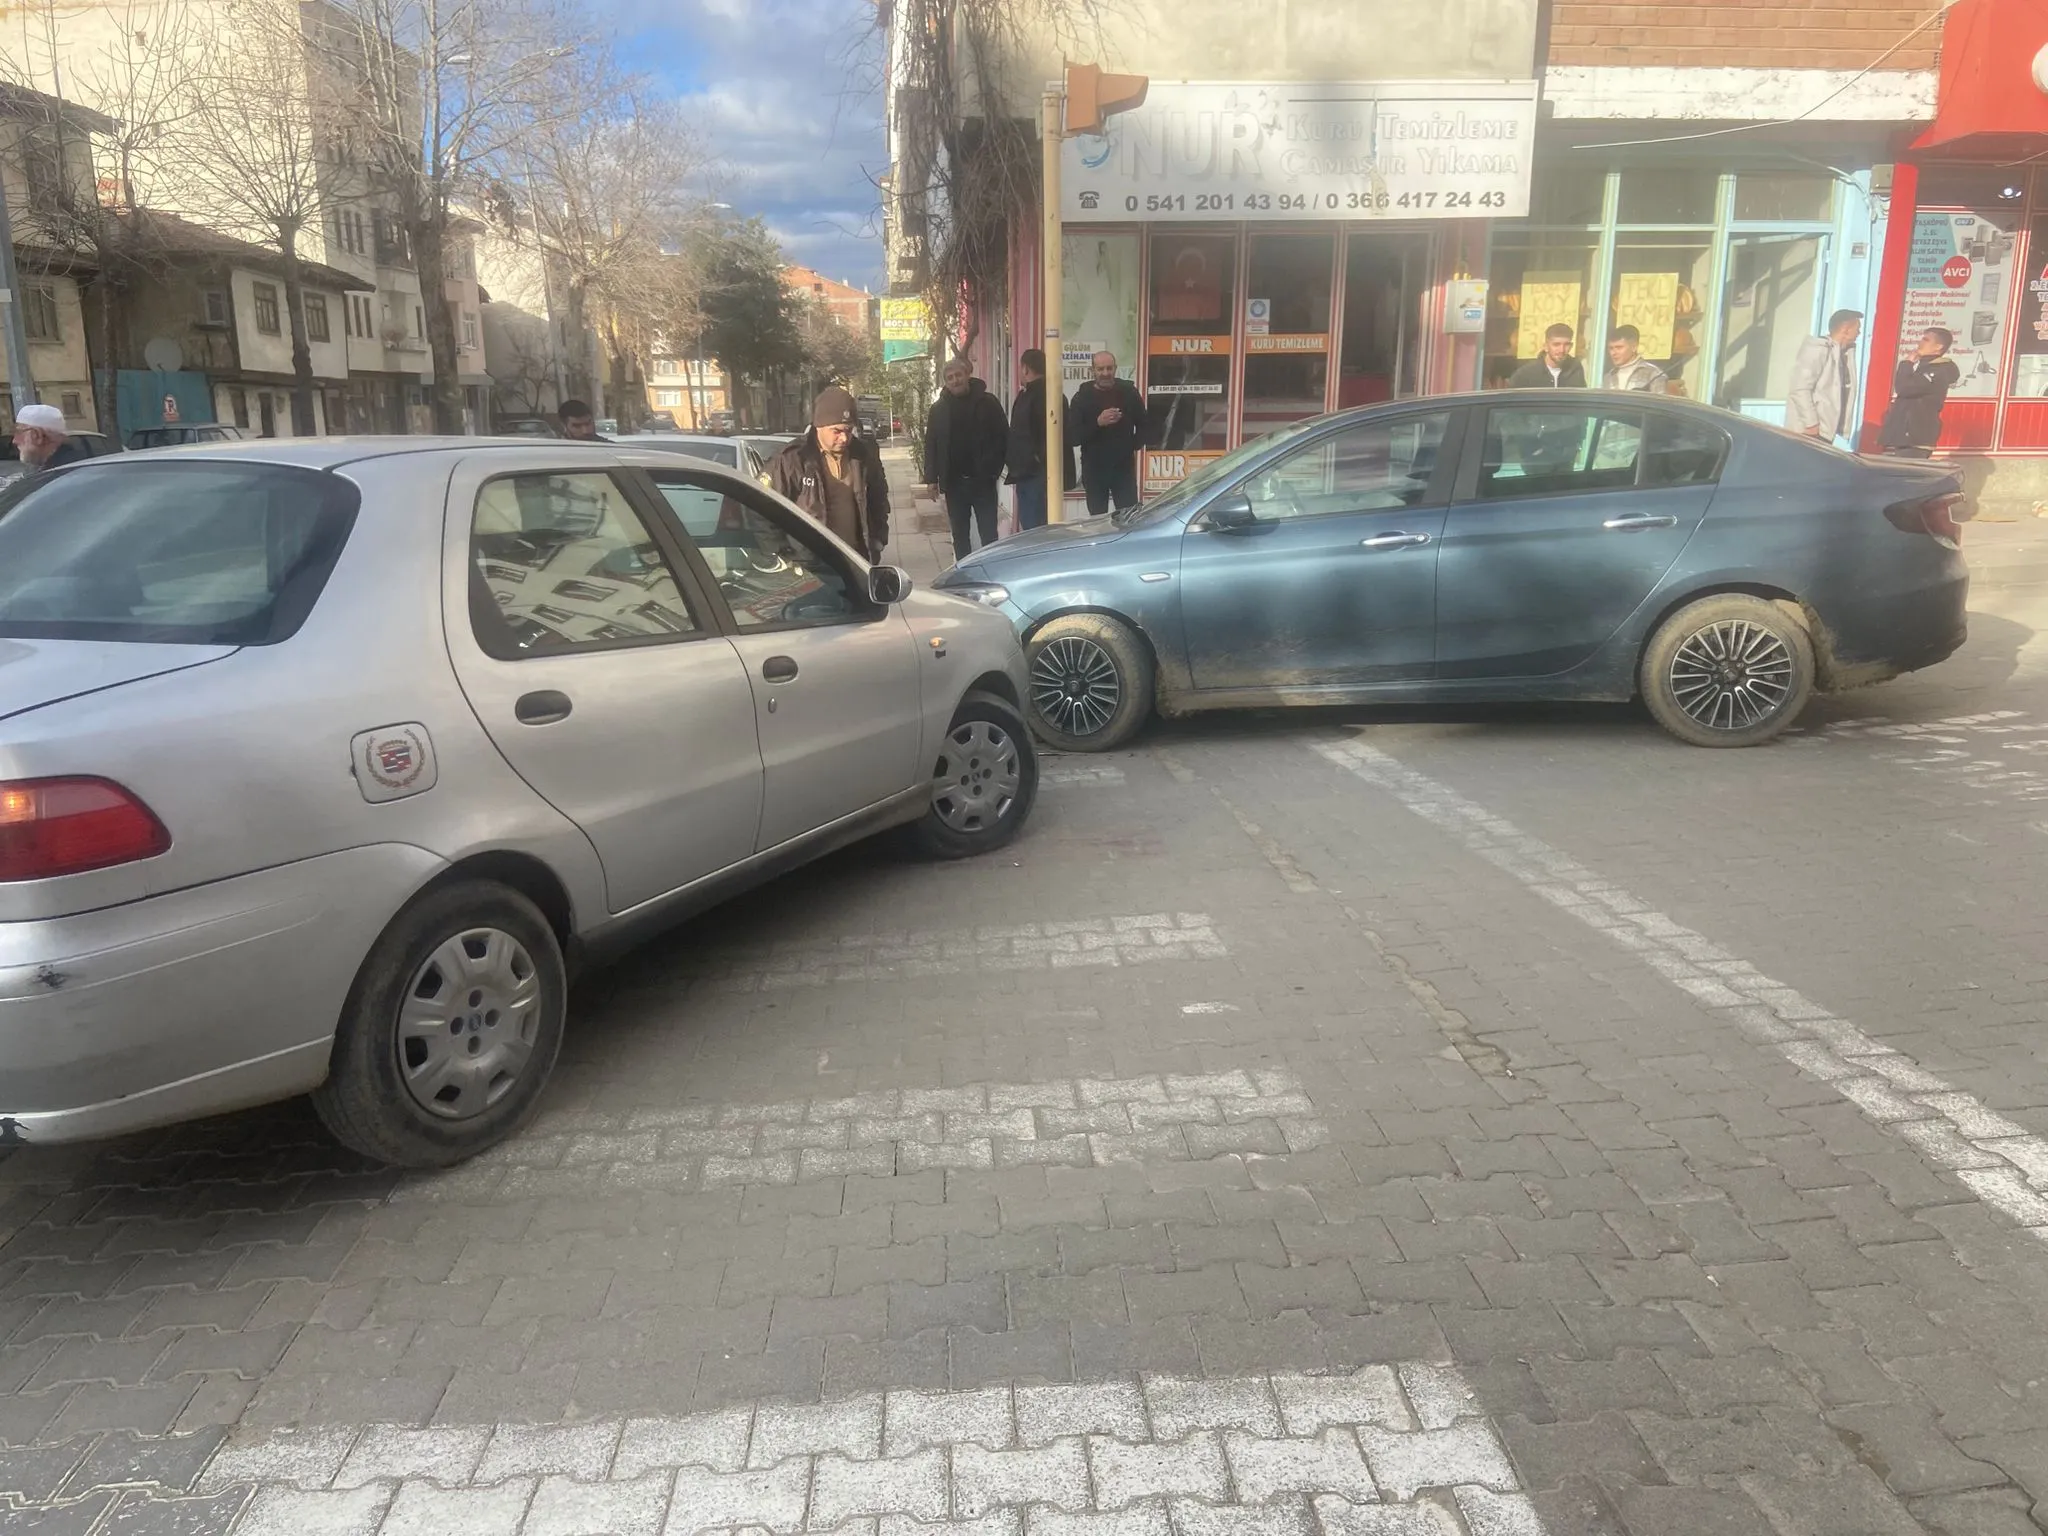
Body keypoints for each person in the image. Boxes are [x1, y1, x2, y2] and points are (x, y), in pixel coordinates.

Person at [766, 385, 892, 562]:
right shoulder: (792, 460)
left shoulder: (863, 455)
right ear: (819, 426)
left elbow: (878, 499)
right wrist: (784, 556)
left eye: (848, 430)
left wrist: (878, 539)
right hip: (810, 566)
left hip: (856, 560)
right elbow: (762, 510)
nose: (844, 438)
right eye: (837, 431)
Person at [921, 357, 1009, 559]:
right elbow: (931, 444)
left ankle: (992, 570)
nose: (955, 380)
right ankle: (963, 575)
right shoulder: (939, 409)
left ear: (968, 375)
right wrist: (931, 479)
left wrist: (995, 468)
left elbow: (1004, 436)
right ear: (946, 382)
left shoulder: (988, 403)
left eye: (958, 375)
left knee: (989, 534)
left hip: (983, 482)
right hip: (954, 483)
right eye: (950, 378)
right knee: (960, 535)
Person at [1068, 351, 1149, 517]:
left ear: (1115, 369)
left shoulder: (1129, 393)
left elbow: (1146, 425)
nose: (1105, 373)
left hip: (1123, 468)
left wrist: (1132, 445)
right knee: (1098, 520)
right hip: (1094, 469)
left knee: (1129, 517)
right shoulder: (1082, 398)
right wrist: (1097, 423)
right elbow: (1074, 437)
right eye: (1100, 369)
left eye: (1109, 368)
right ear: (1092, 370)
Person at [1005, 348, 1073, 531]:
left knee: (1037, 529)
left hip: (1037, 474)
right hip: (1026, 472)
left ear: (1025, 369)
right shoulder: (1027, 395)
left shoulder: (1045, 396)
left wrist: (1036, 458)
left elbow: (1051, 433)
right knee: (1031, 526)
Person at [1879, 327, 1960, 459]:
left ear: (1938, 347)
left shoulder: (1937, 370)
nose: (1920, 343)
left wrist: (1906, 364)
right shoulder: (1925, 367)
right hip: (1907, 437)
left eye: (1926, 340)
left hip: (1917, 438)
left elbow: (1904, 388)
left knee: (1906, 477)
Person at [1786, 309, 1863, 444]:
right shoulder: (1818, 349)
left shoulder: (1840, 354)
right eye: (1857, 329)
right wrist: (1811, 424)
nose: (1859, 333)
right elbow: (1799, 389)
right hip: (1808, 432)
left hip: (1823, 433)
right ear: (1845, 330)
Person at [11, 403, 86, 474]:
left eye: (20, 433)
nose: (15, 441)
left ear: (37, 435)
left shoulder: (60, 474)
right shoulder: (71, 464)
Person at [1509, 324, 1587, 388]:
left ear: (1571, 346)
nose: (1562, 350)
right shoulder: (1525, 374)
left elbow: (1581, 400)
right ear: (1546, 346)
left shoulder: (1575, 369)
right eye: (1556, 344)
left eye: (1566, 345)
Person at [1603, 325, 1668, 393]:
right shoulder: (1608, 377)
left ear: (1634, 347)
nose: (1613, 353)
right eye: (1611, 348)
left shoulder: (1654, 374)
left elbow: (1658, 402)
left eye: (1619, 347)